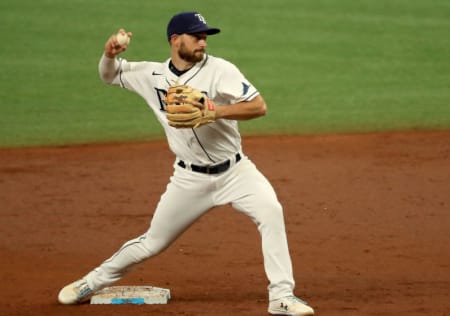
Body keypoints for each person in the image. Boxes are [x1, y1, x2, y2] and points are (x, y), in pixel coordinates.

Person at [57, 11, 314, 315]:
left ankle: (281, 297)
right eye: (197, 37)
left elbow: (259, 106)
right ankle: (92, 281)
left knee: (271, 212)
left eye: (205, 37)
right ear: (175, 40)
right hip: (189, 180)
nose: (203, 42)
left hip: (236, 171)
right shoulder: (150, 75)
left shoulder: (221, 70)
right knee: (152, 242)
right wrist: (108, 55)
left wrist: (214, 111)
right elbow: (109, 75)